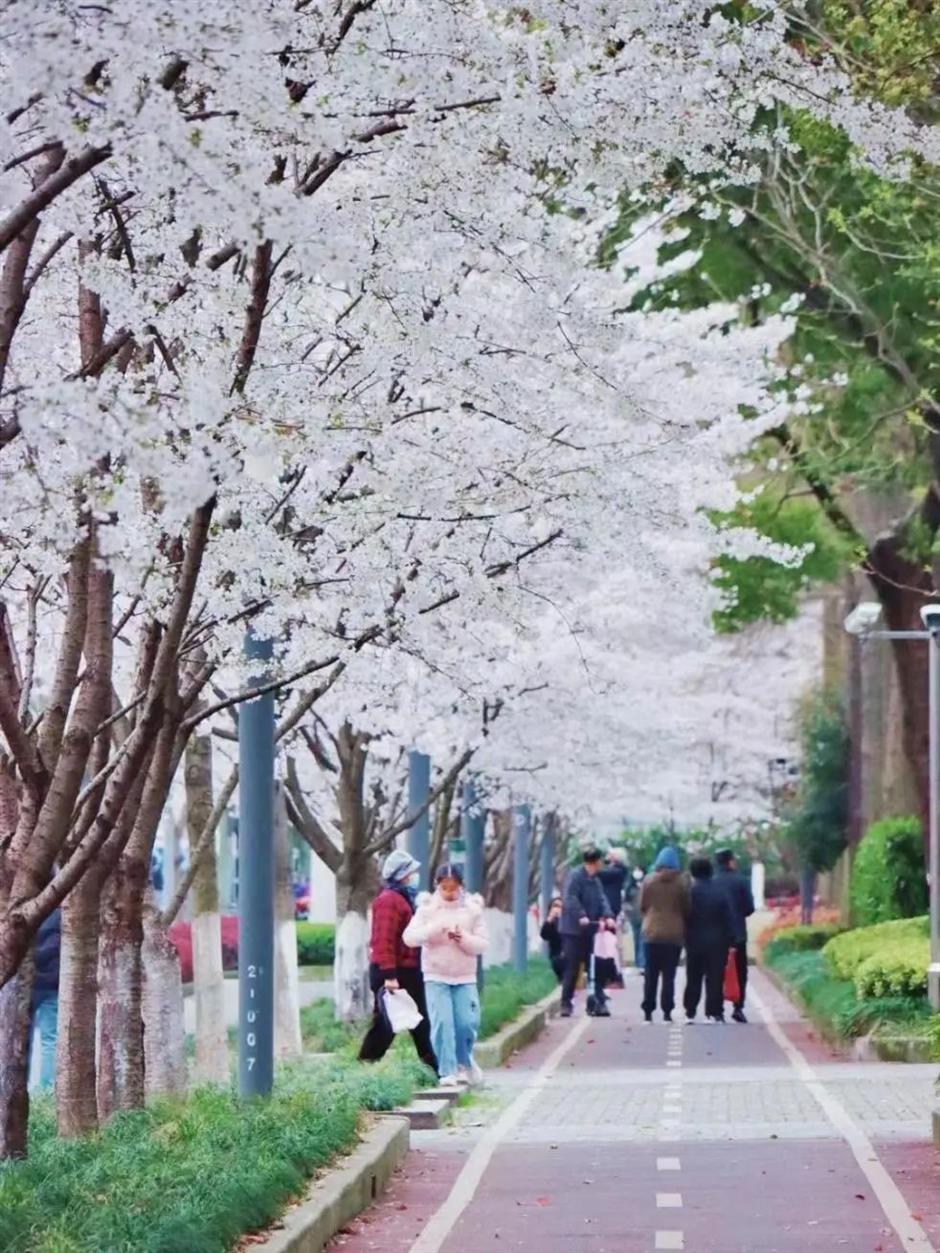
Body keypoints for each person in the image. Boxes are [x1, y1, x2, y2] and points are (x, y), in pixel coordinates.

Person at [403, 862, 488, 1088]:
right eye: (445, 888)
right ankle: (447, 1070)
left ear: (461, 886)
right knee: (442, 1023)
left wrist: (463, 939)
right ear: (437, 886)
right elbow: (409, 937)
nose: (449, 893)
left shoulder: (472, 910)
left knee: (466, 1023)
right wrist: (432, 931)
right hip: (436, 975)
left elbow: (482, 944)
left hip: (464, 976)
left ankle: (464, 1062)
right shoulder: (427, 909)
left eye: (454, 888)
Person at [359, 850, 437, 1073]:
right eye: (411, 872)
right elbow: (383, 941)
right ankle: (366, 1063)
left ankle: (433, 1066)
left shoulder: (402, 898)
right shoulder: (389, 901)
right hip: (394, 971)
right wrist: (390, 976)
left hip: (407, 970)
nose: (415, 876)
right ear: (402, 874)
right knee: (387, 1024)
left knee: (417, 1020)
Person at [559, 848, 615, 1018]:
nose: (601, 865)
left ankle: (598, 1002)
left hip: (591, 929)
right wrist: (581, 915)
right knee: (573, 967)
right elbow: (570, 898)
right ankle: (566, 1003)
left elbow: (602, 899)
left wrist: (608, 916)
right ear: (595, 862)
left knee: (595, 967)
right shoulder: (576, 876)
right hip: (573, 930)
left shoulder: (595, 880)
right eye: (599, 862)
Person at [640, 847, 690, 1023]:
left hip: (651, 933)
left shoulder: (648, 881)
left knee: (650, 975)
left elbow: (643, 905)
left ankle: (648, 1012)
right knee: (669, 976)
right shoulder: (681, 884)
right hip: (674, 935)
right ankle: (667, 1012)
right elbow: (686, 908)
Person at [683, 857, 735, 1024]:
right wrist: (731, 940)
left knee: (693, 976)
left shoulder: (689, 892)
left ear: (693, 872)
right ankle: (714, 1012)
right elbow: (729, 917)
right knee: (715, 977)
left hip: (693, 940)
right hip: (718, 941)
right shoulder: (720, 892)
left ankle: (690, 1011)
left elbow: (684, 916)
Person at [715, 848, 755, 1023]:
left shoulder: (712, 881)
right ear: (730, 861)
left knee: (716, 971)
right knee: (740, 971)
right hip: (738, 933)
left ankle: (717, 1010)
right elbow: (749, 908)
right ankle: (738, 1007)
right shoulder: (742, 881)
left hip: (716, 934)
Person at [28, 908, 61, 1092]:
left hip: (27, 983)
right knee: (50, 1039)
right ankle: (46, 1090)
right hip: (52, 982)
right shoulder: (61, 914)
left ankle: (17, 1085)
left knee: (20, 1038)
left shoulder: (23, 911)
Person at [598, 848, 628, 987]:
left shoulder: (618, 871)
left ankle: (613, 975)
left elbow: (600, 873)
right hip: (610, 908)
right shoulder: (615, 871)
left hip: (610, 909)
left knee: (609, 943)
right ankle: (610, 974)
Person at [540, 895, 565, 982]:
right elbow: (544, 935)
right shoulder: (550, 922)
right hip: (556, 956)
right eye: (555, 906)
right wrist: (550, 919)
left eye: (560, 906)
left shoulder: (567, 922)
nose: (557, 909)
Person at [625, 866, 646, 971]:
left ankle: (642, 963)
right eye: (635, 870)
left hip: (644, 916)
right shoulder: (630, 886)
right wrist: (628, 912)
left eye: (639, 870)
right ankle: (638, 963)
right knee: (636, 940)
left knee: (642, 939)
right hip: (634, 917)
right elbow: (626, 902)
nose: (637, 872)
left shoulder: (646, 884)